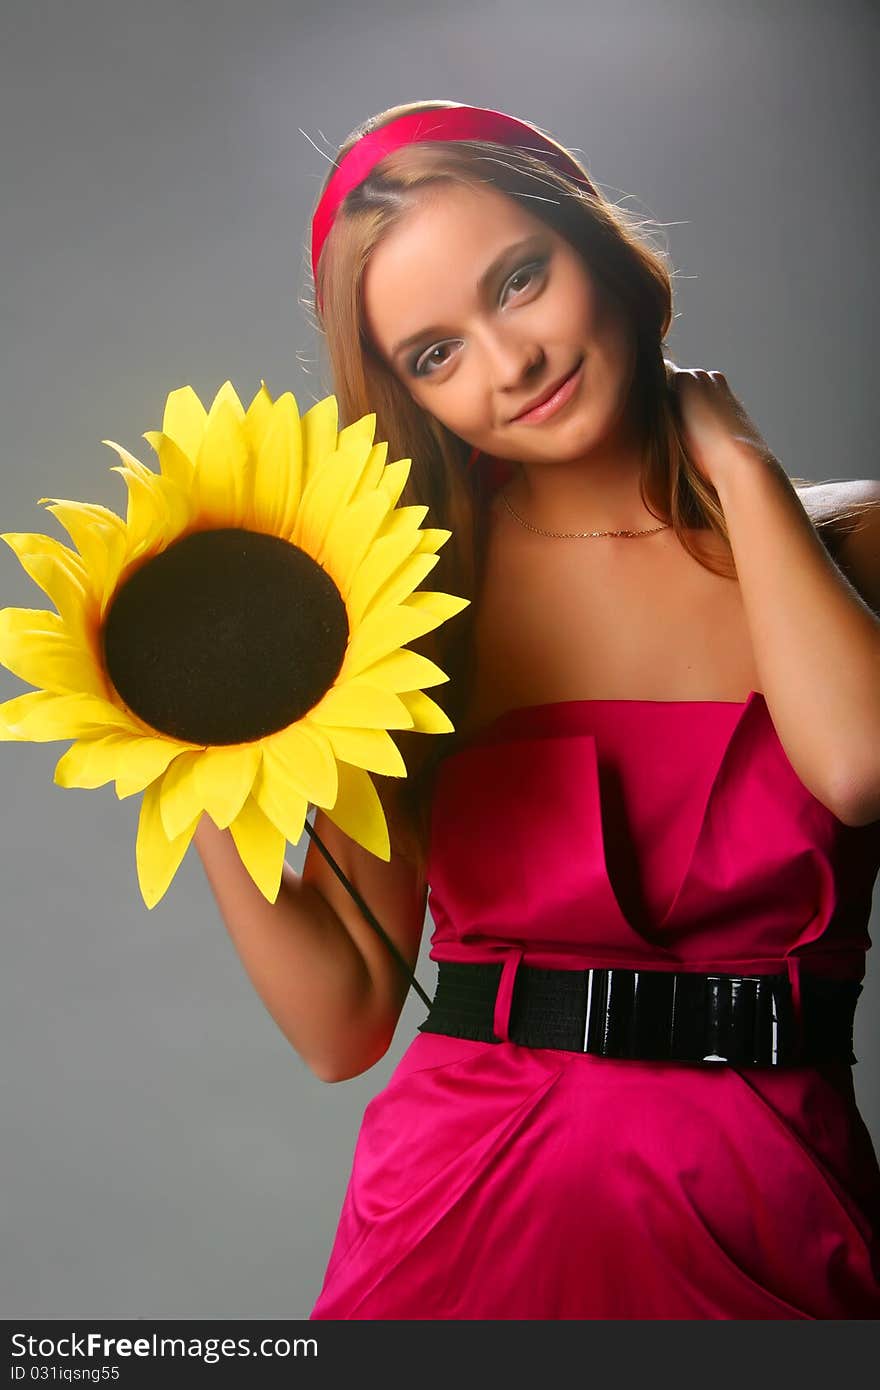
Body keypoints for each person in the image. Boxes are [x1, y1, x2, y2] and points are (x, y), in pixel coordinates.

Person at [195, 100, 880, 1319]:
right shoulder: (404, 612)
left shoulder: (847, 542)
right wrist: (185, 756)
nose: (509, 363)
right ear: (406, 394)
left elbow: (858, 765)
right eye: (435, 353)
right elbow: (343, 1021)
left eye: (518, 280)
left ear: (597, 243)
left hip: (768, 1208)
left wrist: (741, 472)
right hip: (453, 1213)